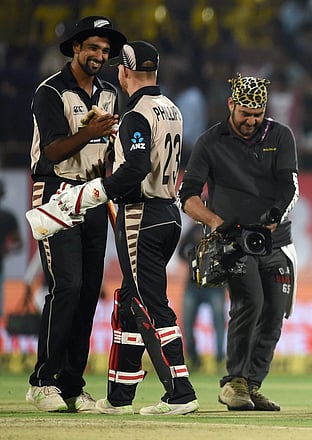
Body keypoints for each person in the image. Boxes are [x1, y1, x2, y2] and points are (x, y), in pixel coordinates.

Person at [54, 40, 199, 416]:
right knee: (130, 302)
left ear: (125, 71)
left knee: (149, 302)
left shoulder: (136, 113)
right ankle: (120, 396)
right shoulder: (171, 108)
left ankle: (180, 391)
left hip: (141, 216)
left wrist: (96, 191)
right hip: (168, 213)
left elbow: (135, 167)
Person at [179, 72, 298, 412]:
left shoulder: (281, 135)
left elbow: (290, 186)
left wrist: (276, 216)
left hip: (276, 240)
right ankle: (234, 382)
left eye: (258, 114)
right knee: (250, 302)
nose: (251, 121)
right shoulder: (210, 141)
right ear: (231, 104)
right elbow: (187, 196)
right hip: (233, 243)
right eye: (245, 113)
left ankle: (252, 384)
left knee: (274, 313)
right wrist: (215, 222)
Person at [26, 15, 126, 413]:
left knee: (87, 293)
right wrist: (91, 132)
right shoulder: (50, 91)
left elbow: (108, 150)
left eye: (106, 50)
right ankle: (42, 381)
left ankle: (71, 385)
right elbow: (52, 152)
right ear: (75, 48)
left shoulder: (109, 93)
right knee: (66, 286)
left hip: (93, 193)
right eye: (93, 48)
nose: (100, 55)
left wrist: (109, 171)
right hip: (55, 192)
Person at [178, 222, 227, 370]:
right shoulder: (194, 229)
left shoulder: (221, 228)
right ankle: (194, 359)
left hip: (215, 285)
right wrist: (194, 261)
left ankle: (220, 359)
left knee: (219, 324)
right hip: (194, 285)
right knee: (187, 324)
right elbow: (181, 251)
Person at [0, 179, 23, 319]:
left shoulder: (8, 217)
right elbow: (19, 244)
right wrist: (7, 248)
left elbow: (19, 244)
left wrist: (7, 248)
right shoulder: (8, 217)